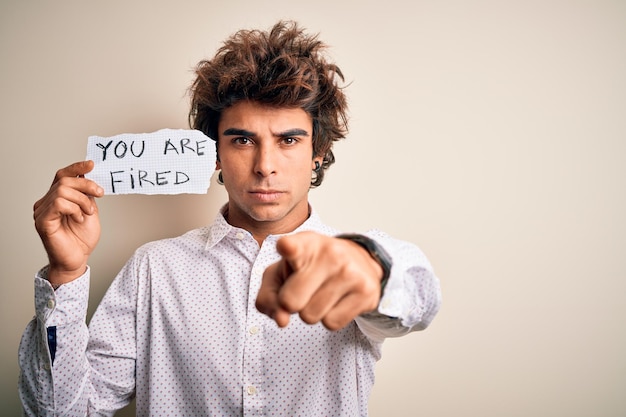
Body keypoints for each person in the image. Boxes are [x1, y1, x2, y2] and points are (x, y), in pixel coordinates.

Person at [18, 21, 441, 416]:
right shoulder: (153, 269)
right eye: (242, 140)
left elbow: (417, 299)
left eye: (289, 140)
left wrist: (370, 269)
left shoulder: (351, 257)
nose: (265, 165)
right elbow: (64, 412)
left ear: (317, 152)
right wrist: (65, 273)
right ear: (215, 154)